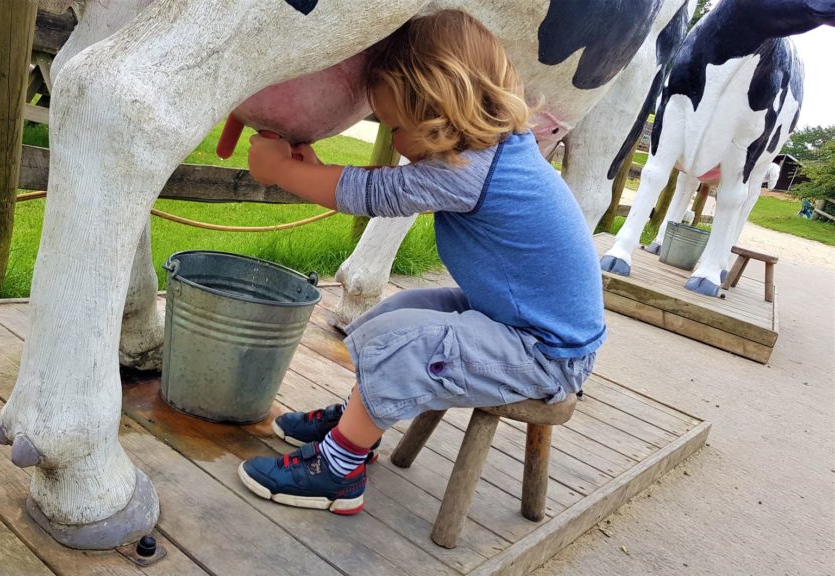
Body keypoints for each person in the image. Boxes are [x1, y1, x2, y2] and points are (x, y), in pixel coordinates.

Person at [238, 9, 605, 516]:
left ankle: (339, 474)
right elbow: (372, 184)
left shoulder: (465, 170)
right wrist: (319, 169)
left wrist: (280, 170)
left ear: (437, 112)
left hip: (544, 354)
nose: (394, 139)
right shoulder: (497, 150)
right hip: (514, 323)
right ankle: (356, 424)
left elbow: (375, 192)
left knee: (403, 345)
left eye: (394, 125)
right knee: (398, 313)